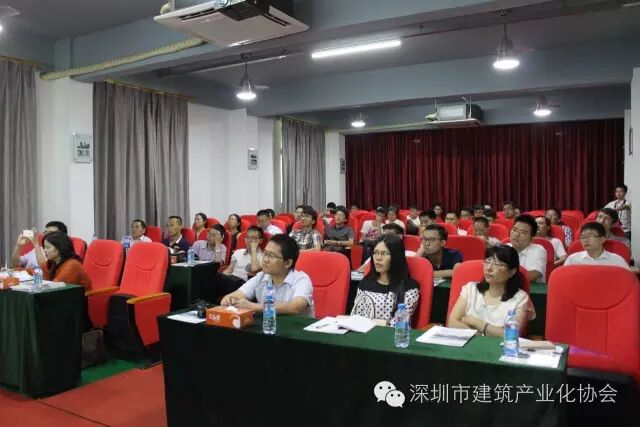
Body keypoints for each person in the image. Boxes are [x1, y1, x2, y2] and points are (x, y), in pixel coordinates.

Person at [447, 245, 535, 336]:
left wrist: (475, 322)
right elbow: (452, 322)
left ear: (511, 272)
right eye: (487, 262)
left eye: (497, 264)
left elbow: (511, 335)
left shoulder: (520, 299)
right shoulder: (471, 289)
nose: (488, 268)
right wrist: (482, 334)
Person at [221, 234, 314, 317]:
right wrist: (229, 299)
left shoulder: (301, 279)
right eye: (265, 254)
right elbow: (238, 294)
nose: (265, 259)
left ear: (288, 263)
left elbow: (295, 307)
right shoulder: (261, 276)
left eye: (271, 256)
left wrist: (253, 306)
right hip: (269, 326)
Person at [351, 234, 420, 326]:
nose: (378, 258)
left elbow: (398, 324)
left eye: (384, 253)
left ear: (396, 257)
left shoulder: (409, 288)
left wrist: (371, 322)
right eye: (375, 253)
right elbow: (357, 316)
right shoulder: (365, 282)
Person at [564, 222, 629, 269]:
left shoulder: (616, 260)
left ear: (602, 239)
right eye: (583, 237)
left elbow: (627, 280)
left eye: (590, 236)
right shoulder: (572, 259)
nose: (586, 240)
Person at [507, 215, 546, 282]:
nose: (516, 235)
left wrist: (502, 276)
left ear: (531, 239)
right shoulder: (505, 248)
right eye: (514, 230)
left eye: (523, 233)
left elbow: (532, 275)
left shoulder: (538, 250)